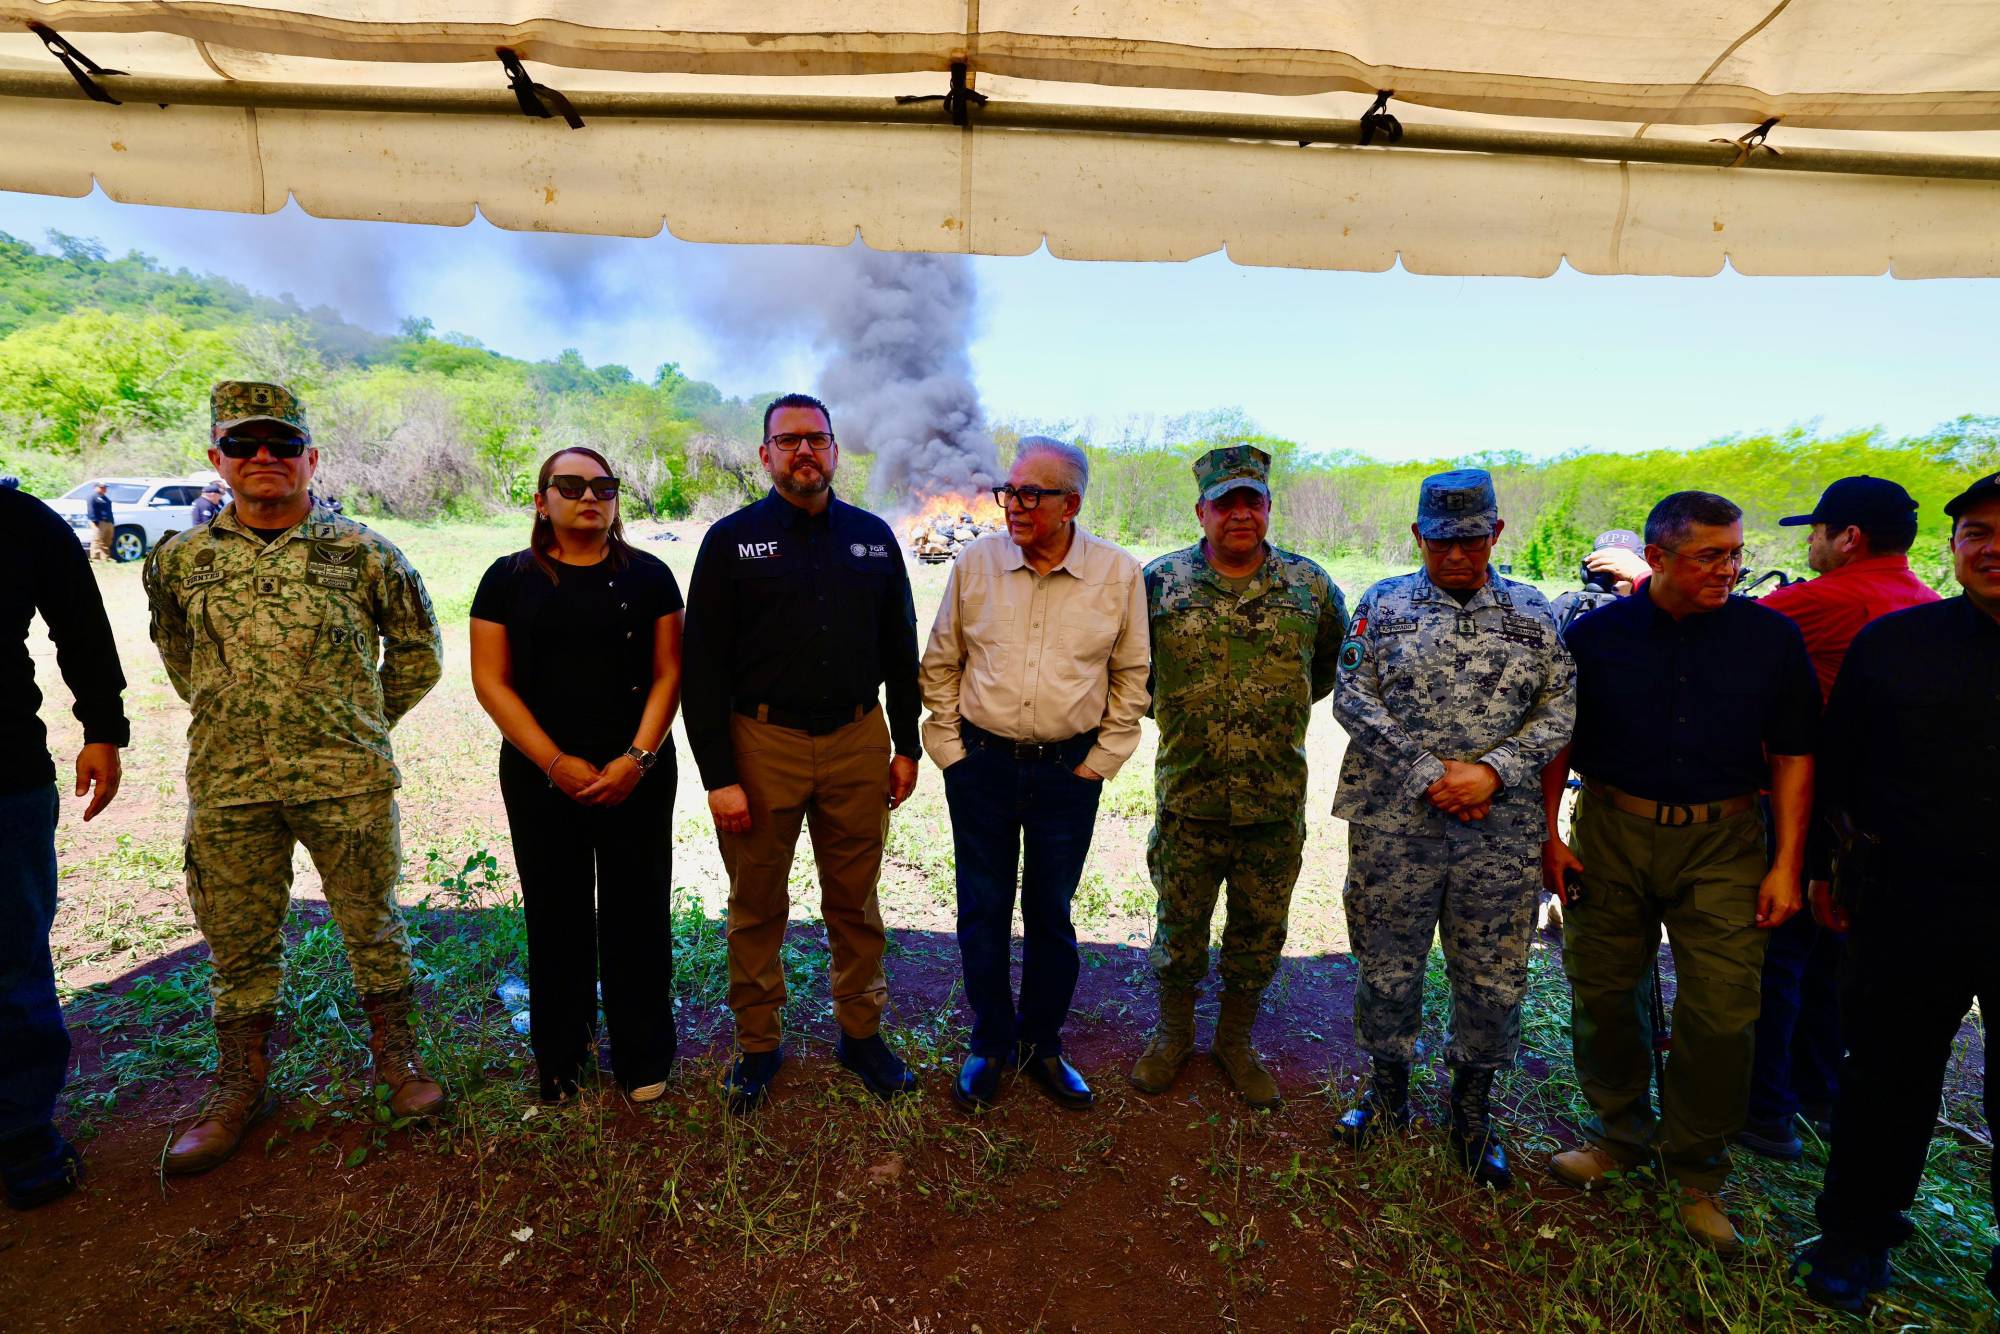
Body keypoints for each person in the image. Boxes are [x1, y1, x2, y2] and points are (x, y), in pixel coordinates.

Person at [144, 380, 445, 1175]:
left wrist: (353, 723)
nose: (265, 458)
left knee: (371, 923)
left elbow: (419, 653)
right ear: (218, 460)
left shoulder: (364, 552)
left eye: (283, 444)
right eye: (245, 446)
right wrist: (244, 717)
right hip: (230, 781)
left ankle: (398, 1062)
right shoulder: (180, 561)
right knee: (237, 941)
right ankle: (239, 1084)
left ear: (311, 458)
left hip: (346, 776)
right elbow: (180, 658)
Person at [1542, 490, 1819, 1252]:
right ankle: (1619, 1137)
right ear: (1657, 558)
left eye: (1735, 553)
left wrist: (1787, 864)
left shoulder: (1770, 638)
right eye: (1710, 556)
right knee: (1603, 988)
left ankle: (1696, 1171)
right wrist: (1548, 837)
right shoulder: (1598, 637)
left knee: (1724, 1012)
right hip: (1611, 830)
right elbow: (1558, 742)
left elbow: (1795, 755)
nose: (1729, 569)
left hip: (1726, 840)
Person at [1328, 469, 1575, 1189]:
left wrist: (1492, 772)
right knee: (1386, 963)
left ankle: (1472, 1109)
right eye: (1441, 542)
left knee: (1492, 975)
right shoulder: (1384, 602)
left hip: (1498, 834)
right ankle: (1387, 1091)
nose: (1458, 556)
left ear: (1495, 533)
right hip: (1393, 826)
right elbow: (1352, 696)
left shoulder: (1535, 612)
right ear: (1418, 536)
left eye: (1471, 540)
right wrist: (1429, 773)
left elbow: (1560, 711)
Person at [1792, 471, 2000, 1311]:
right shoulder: (1897, 642)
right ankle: (1854, 1239)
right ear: (1951, 549)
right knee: (1884, 1078)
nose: (1992, 548)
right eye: (1976, 531)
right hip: (1907, 904)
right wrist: (1817, 869)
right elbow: (1838, 765)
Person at [681, 393, 923, 1115]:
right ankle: (759, 1045)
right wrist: (719, 776)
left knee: (855, 897)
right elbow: (703, 667)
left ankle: (862, 1033)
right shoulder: (731, 542)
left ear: (836, 450)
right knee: (757, 902)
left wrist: (906, 743)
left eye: (816, 439)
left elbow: (901, 650)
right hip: (763, 744)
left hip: (856, 739)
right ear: (764, 455)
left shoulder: (874, 540)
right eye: (787, 441)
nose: (803, 453)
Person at [921, 436, 1149, 1113]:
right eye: (1009, 491)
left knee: (1051, 915)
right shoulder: (975, 563)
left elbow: (1131, 677)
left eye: (1031, 494)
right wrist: (951, 750)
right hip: (982, 766)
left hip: (1065, 775)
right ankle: (990, 1042)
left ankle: (1043, 1044)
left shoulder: (1117, 574)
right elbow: (941, 660)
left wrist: (1097, 764)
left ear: (1070, 504)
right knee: (983, 910)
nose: (1014, 506)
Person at [1131, 445, 1346, 1110]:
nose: (1240, 514)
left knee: (1258, 934)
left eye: (1252, 500)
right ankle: (1172, 1037)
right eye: (1226, 503)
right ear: (1202, 511)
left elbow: (1328, 670)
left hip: (1272, 804)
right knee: (1180, 932)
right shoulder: (1159, 584)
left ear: (1269, 507)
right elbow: (1136, 677)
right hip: (1188, 799)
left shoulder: (1309, 587)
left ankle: (1234, 1042)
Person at [471, 448, 683, 1103]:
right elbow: (491, 681)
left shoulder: (650, 576)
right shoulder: (506, 579)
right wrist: (554, 761)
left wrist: (637, 759)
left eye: (603, 486)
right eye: (570, 485)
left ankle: (642, 1055)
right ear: (542, 501)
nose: (588, 496)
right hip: (540, 774)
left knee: (638, 909)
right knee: (556, 913)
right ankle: (561, 1056)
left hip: (637, 772)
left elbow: (670, 673)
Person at [1736, 476, 1938, 1162]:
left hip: (1808, 803)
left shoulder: (1817, 602)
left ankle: (1764, 1111)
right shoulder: (1929, 603)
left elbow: (1725, 628)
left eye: (1818, 531)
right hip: (1882, 817)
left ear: (1849, 537)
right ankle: (1817, 1089)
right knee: (1834, 955)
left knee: (1775, 955)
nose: (1812, 543)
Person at [0, 485, 126, 1209]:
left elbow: (79, 625)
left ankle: (20, 1135)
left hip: (0, 778)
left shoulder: (19, 521)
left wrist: (103, 727)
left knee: (11, 956)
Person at [1549, 529, 1647, 635]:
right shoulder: (1569, 604)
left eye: (1620, 561)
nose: (1612, 568)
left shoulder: (1652, 608)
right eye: (1603, 561)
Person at [86, 482, 115, 562]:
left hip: (108, 521)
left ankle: (105, 557)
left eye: (105, 487)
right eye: (102, 487)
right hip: (99, 521)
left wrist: (112, 521)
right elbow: (91, 509)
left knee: (107, 540)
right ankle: (96, 557)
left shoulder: (105, 498)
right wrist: (94, 520)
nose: (104, 489)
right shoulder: (93, 497)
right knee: (97, 539)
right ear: (96, 487)